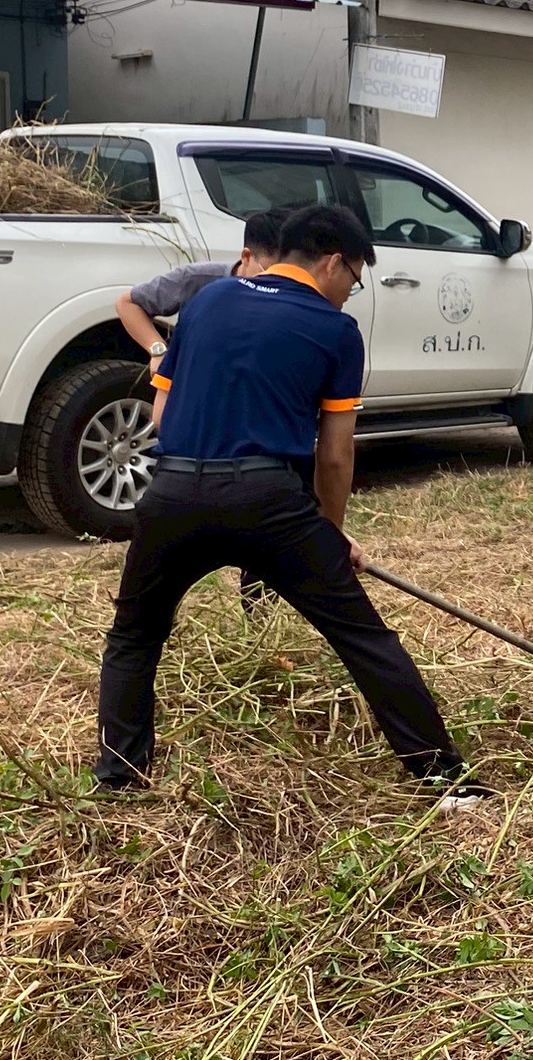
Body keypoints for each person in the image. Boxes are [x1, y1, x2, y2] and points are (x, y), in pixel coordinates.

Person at [95, 204, 486, 806]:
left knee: (134, 637)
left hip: (172, 494)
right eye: (354, 280)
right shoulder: (336, 332)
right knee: (364, 639)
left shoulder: (208, 302)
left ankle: (119, 780)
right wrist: (329, 532)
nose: (350, 295)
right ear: (333, 262)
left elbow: (163, 415)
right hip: (268, 501)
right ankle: (443, 781)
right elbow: (334, 456)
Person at [115, 208, 288, 427]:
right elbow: (127, 303)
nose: (279, 283)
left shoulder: (291, 297)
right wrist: (157, 350)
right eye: (271, 272)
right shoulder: (199, 279)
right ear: (246, 257)